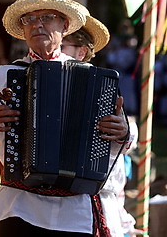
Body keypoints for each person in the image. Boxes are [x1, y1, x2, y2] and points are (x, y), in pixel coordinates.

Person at [0, 0, 136, 236]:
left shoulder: (92, 79)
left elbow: (122, 139)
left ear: (65, 25)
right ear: (23, 29)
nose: (37, 25)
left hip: (75, 213)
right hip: (17, 208)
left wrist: (123, 132)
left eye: (47, 17)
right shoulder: (6, 76)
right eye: (30, 19)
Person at [61, 16, 142, 237]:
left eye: (62, 45)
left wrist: (124, 131)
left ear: (80, 52)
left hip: (92, 201)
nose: (56, 50)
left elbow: (127, 132)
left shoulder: (100, 85)